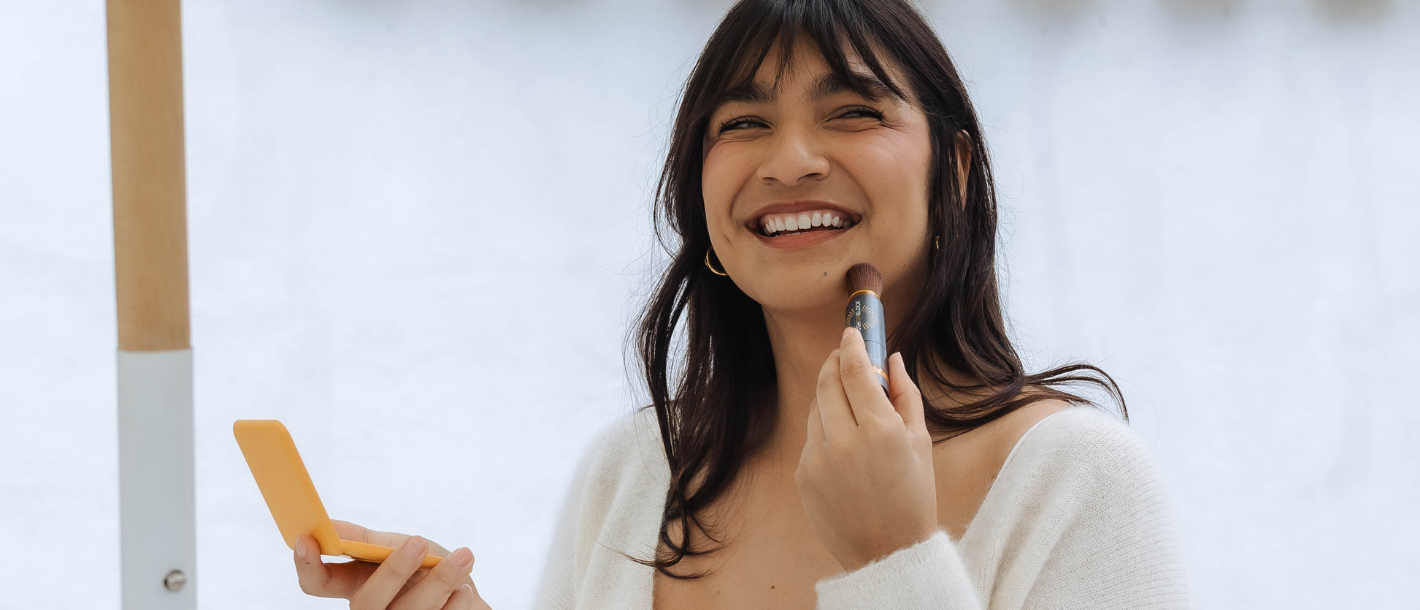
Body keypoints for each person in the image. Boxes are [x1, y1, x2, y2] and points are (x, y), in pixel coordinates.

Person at [289, 0, 1193, 608]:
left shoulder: (1078, 483)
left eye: (852, 112)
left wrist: (894, 560)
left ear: (953, 170)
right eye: (743, 123)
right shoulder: (634, 471)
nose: (790, 158)